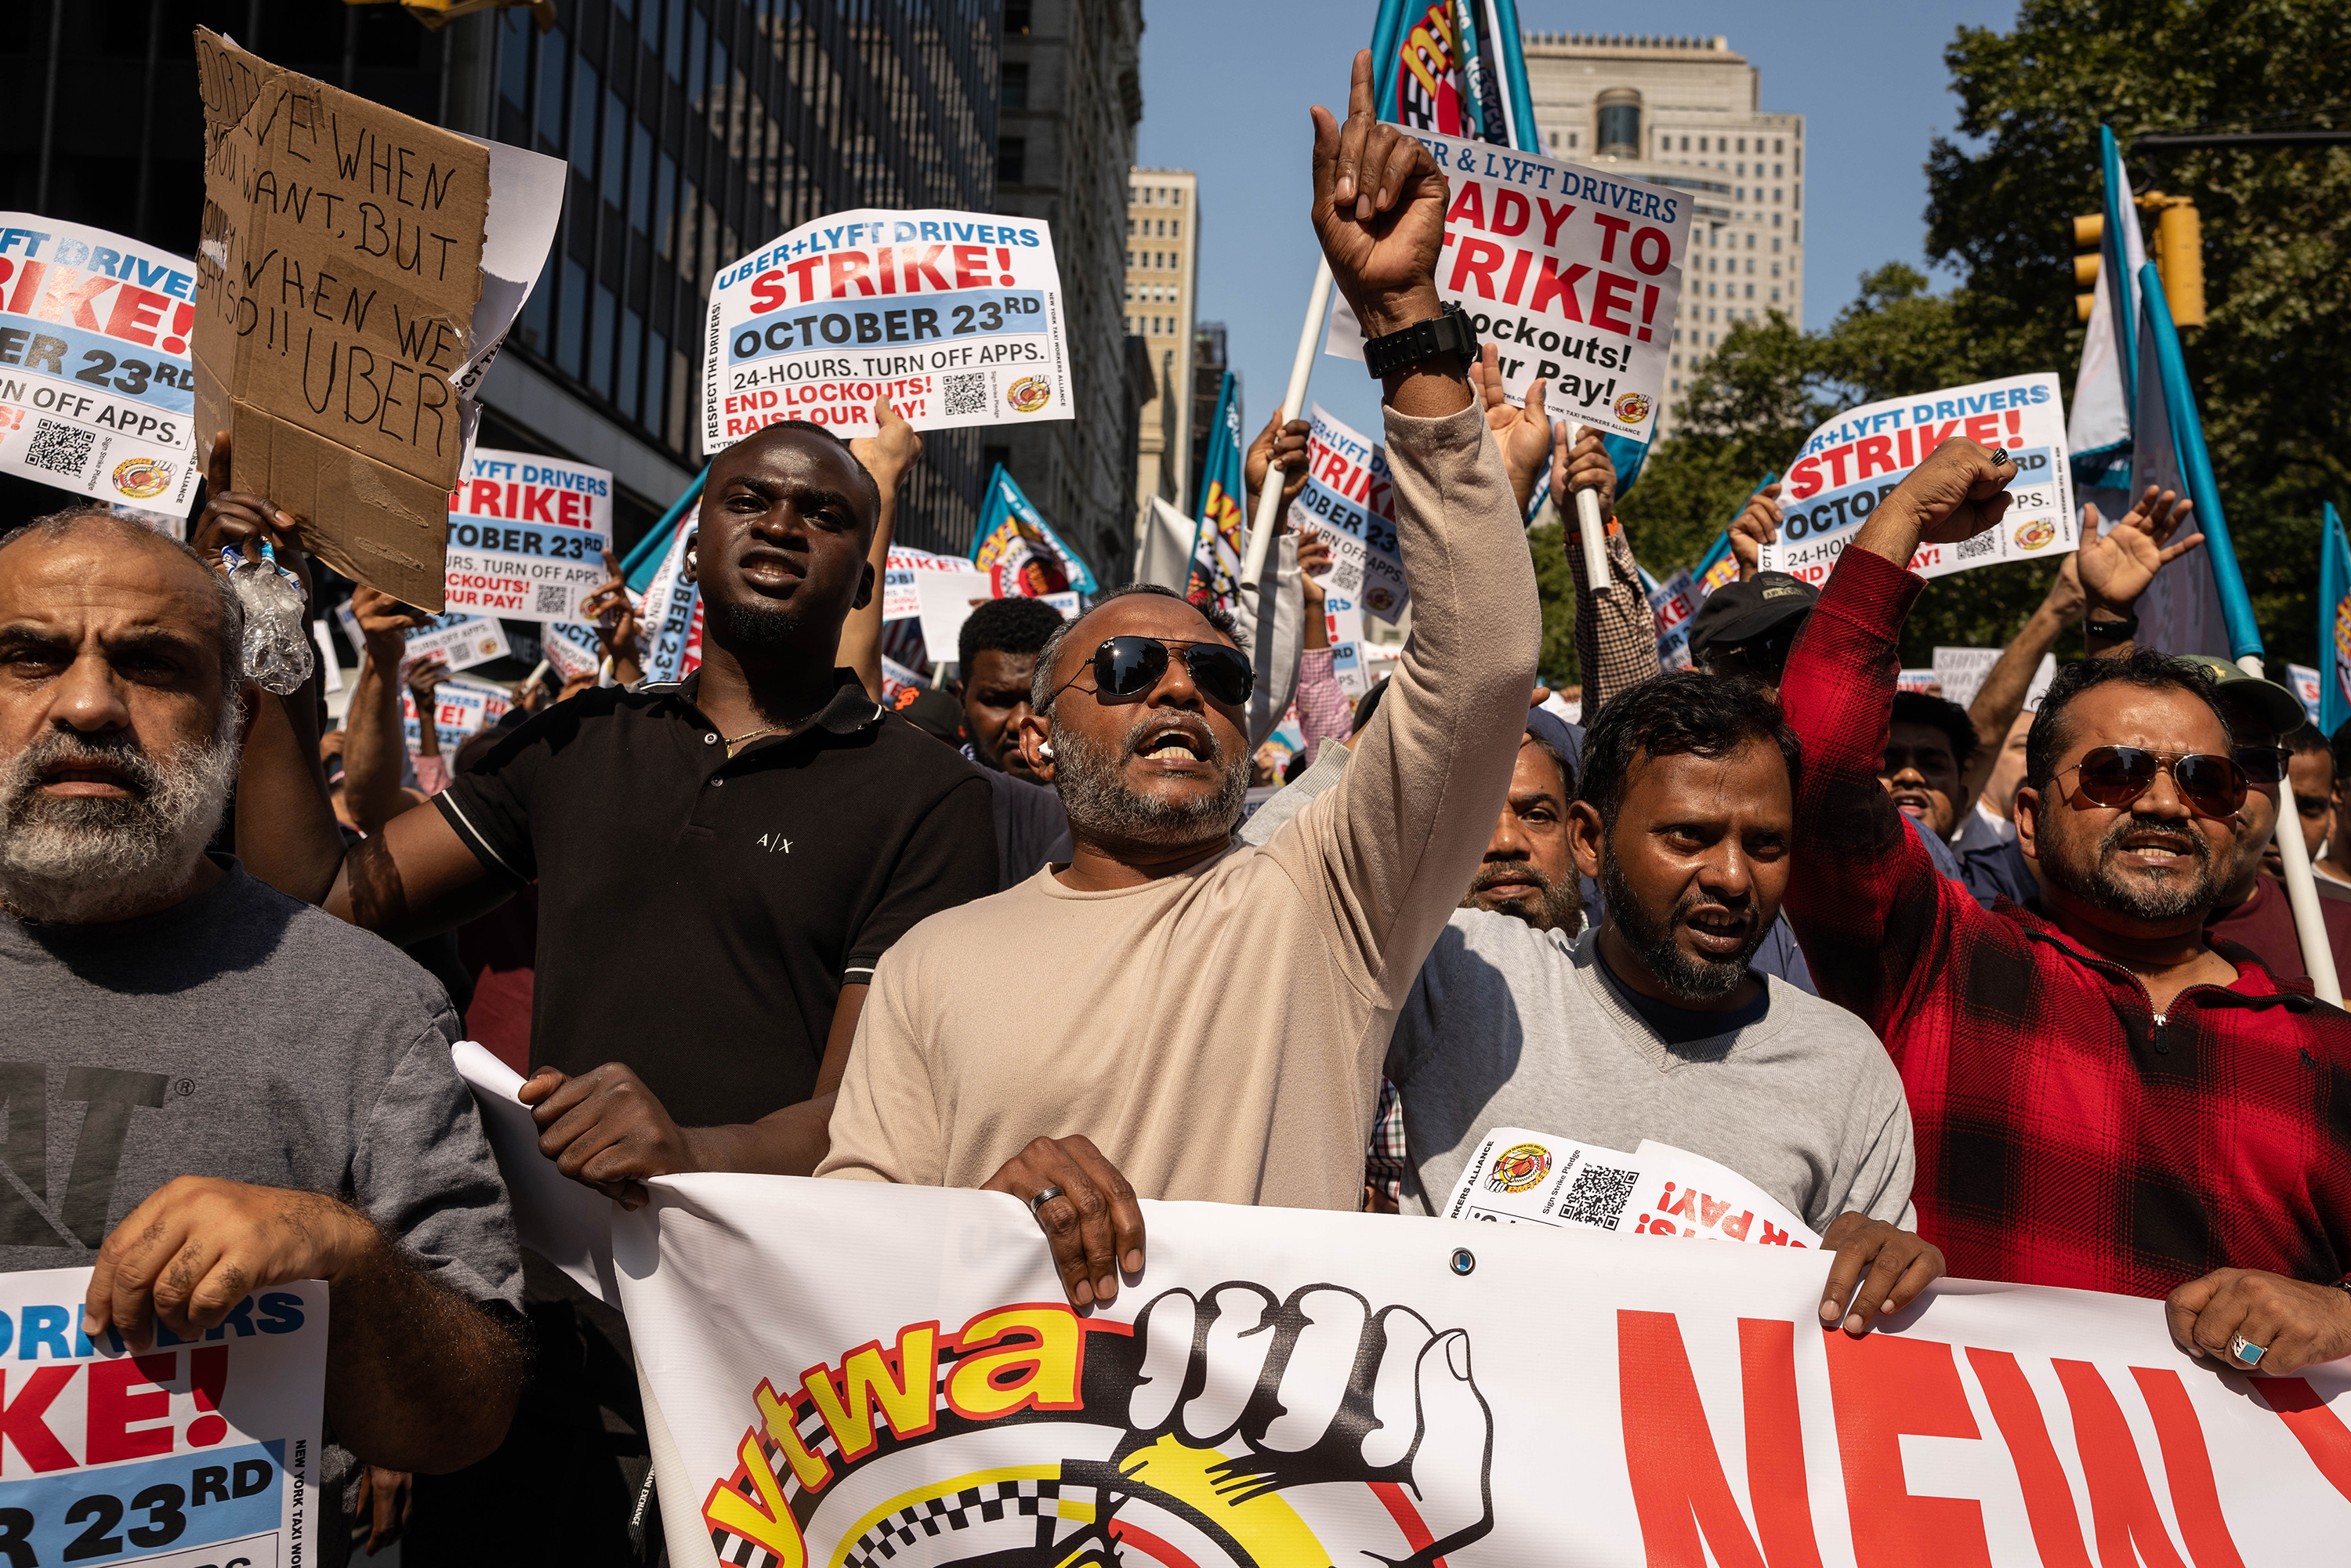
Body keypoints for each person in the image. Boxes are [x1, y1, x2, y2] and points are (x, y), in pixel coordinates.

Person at [815, 52, 1543, 1312]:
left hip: (1250, 1502)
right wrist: (993, 1218)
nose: (1181, 693)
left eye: (1214, 674)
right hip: (1003, 1477)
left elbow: (1481, 664)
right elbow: (845, 1251)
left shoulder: (1325, 903)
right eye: (1132, 667)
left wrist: (1404, 322)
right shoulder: (933, 962)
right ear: (1039, 736)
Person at [226, 413, 996, 1559]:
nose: (783, 521)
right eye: (750, 500)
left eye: (827, 512)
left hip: (767, 1365)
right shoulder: (577, 744)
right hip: (538, 1351)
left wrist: (692, 1143)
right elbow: (321, 897)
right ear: (696, 542)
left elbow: (874, 1114)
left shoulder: (929, 796)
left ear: (862, 575)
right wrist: (270, 619)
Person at [0, 507, 525, 1563]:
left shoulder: (367, 1003)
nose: (91, 703)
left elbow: (468, 1416)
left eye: (152, 665)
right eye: (28, 656)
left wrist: (343, 1262)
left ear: (232, 717)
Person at [1779, 436, 2351, 1375]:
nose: (2165, 801)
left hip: (2222, 1523)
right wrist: (1902, 526)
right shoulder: (1937, 963)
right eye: (2120, 772)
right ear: (2033, 822)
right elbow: (1820, 769)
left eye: (2206, 780)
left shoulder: (2325, 1053)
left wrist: (2338, 1316)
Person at [1386, 672, 1937, 1333]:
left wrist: (1888, 1275)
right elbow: (1252, 908)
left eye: (1766, 845)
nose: (1733, 878)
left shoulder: (1845, 1068)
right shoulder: (1464, 977)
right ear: (1589, 841)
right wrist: (1382, 748)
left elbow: (1857, 1350)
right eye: (1688, 837)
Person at [2177, 657, 2351, 983]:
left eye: (2257, 762)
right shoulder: (2072, 932)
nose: (2232, 783)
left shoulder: (2342, 932)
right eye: (2200, 765)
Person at [955, 595, 1067, 780]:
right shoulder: (928, 793)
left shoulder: (1106, 804)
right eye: (997, 701)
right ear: (962, 701)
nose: (1020, 721)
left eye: (1042, 700)